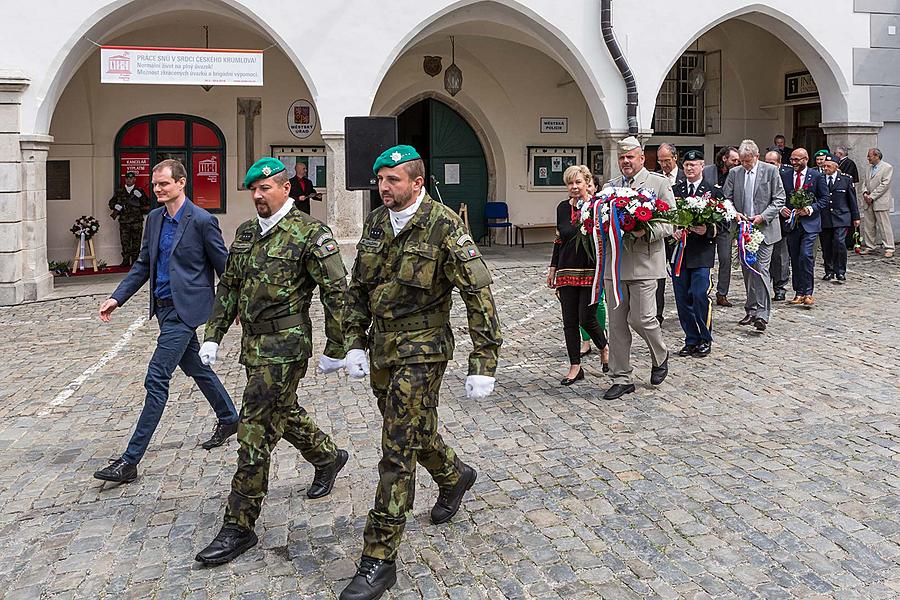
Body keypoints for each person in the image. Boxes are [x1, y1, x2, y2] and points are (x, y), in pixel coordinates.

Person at [340, 145, 502, 600]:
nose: (384, 187)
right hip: (382, 346)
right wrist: (352, 341)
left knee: (396, 448)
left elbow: (479, 295)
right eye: (380, 180)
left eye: (393, 180)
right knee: (410, 430)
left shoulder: (445, 225)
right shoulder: (375, 222)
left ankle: (379, 558)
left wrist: (483, 361)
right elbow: (358, 288)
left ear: (417, 182)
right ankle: (454, 475)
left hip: (424, 347)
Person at [193, 157, 350, 565]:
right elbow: (229, 286)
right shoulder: (246, 234)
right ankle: (327, 455)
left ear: (286, 188)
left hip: (287, 345)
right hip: (254, 346)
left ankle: (239, 524)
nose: (258, 196)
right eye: (253, 190)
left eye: (265, 188)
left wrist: (339, 346)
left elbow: (336, 291)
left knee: (255, 427)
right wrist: (213, 335)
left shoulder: (309, 233)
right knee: (282, 409)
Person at [93, 159, 239, 484]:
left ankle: (130, 461)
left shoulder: (202, 220)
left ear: (182, 183)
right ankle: (229, 417)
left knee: (157, 377)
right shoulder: (154, 219)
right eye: (155, 184)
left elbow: (223, 266)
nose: (157, 189)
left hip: (186, 311)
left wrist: (234, 304)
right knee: (196, 367)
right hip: (162, 309)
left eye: (164, 184)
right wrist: (117, 297)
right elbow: (143, 263)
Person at [601, 136, 673, 400]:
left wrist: (646, 230)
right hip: (616, 267)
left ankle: (660, 354)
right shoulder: (610, 187)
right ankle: (621, 377)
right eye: (622, 158)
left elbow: (670, 223)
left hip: (645, 263)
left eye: (630, 157)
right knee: (618, 325)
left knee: (642, 318)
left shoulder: (657, 183)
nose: (625, 162)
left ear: (642, 158)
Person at [548, 165, 609, 384]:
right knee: (569, 321)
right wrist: (552, 268)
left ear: (587, 182)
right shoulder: (562, 208)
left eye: (578, 182)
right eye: (570, 183)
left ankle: (604, 347)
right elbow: (559, 240)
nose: (574, 187)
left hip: (590, 269)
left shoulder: (597, 206)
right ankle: (575, 366)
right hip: (566, 270)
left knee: (587, 317)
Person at [722, 140, 785, 332]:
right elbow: (726, 198)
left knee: (761, 269)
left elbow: (780, 198)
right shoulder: (735, 173)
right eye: (742, 161)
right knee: (748, 270)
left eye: (748, 161)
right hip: (743, 228)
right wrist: (734, 214)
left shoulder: (770, 171)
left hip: (765, 229)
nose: (745, 164)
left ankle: (762, 314)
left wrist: (763, 216)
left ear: (756, 157)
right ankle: (751, 308)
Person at [670, 150, 725, 358]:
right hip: (679, 253)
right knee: (682, 298)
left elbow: (723, 222)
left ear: (702, 166)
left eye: (694, 165)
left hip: (702, 252)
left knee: (700, 295)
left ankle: (705, 337)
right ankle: (691, 339)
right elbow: (667, 216)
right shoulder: (675, 190)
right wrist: (672, 230)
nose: (690, 168)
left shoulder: (712, 192)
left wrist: (708, 229)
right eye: (687, 165)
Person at [779, 148, 828, 307]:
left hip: (810, 224)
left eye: (797, 160)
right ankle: (798, 292)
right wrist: (782, 209)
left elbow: (824, 199)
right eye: (792, 159)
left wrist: (810, 209)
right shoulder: (785, 175)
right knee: (794, 257)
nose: (793, 163)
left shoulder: (816, 176)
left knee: (806, 256)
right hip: (792, 224)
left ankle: (808, 292)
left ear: (806, 159)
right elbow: (780, 196)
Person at [703, 146, 740, 307]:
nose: (736, 163)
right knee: (705, 259)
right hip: (707, 224)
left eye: (738, 160)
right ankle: (703, 290)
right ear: (724, 158)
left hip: (726, 225)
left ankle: (722, 293)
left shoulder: (737, 174)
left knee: (725, 258)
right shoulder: (708, 171)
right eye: (734, 160)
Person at [579, 175, 609, 370]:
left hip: (598, 260)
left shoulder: (601, 207)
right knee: (581, 305)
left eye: (590, 185)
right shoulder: (575, 207)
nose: (586, 188)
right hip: (580, 262)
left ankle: (601, 336)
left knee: (597, 303)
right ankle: (586, 340)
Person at [654, 143, 684, 324]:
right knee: (658, 275)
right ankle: (657, 313)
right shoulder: (655, 178)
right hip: (662, 233)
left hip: (680, 235)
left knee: (679, 275)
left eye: (667, 160)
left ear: (675, 158)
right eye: (660, 161)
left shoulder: (683, 177)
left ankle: (684, 311)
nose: (664, 164)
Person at [819, 153, 860, 283]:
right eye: (824, 166)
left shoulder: (846, 179)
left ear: (836, 167)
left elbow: (852, 200)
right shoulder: (819, 178)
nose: (825, 168)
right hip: (825, 217)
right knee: (826, 245)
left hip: (842, 217)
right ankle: (829, 270)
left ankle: (840, 271)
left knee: (839, 242)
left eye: (828, 166)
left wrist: (856, 216)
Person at [764, 150, 792, 301]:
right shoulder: (761, 175)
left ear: (779, 164)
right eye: (766, 162)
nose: (768, 166)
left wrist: (782, 208)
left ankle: (780, 287)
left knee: (780, 257)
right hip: (763, 221)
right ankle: (764, 287)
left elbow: (788, 196)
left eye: (772, 163)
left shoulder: (786, 175)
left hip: (781, 223)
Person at [108, 170, 150, 266]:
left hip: (136, 221)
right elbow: (111, 203)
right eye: (127, 178)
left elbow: (146, 203)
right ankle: (126, 260)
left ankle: (135, 260)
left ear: (134, 179)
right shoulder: (119, 192)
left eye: (131, 178)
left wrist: (140, 197)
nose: (129, 180)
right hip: (124, 221)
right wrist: (116, 207)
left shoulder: (139, 191)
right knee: (125, 241)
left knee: (136, 241)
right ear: (125, 179)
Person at [861, 148, 895, 257]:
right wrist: (865, 193)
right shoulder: (868, 167)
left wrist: (872, 196)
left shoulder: (887, 167)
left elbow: (885, 185)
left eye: (869, 156)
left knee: (884, 226)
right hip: (868, 201)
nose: (868, 158)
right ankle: (870, 246)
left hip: (880, 201)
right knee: (869, 226)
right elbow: (864, 182)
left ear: (876, 156)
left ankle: (889, 248)